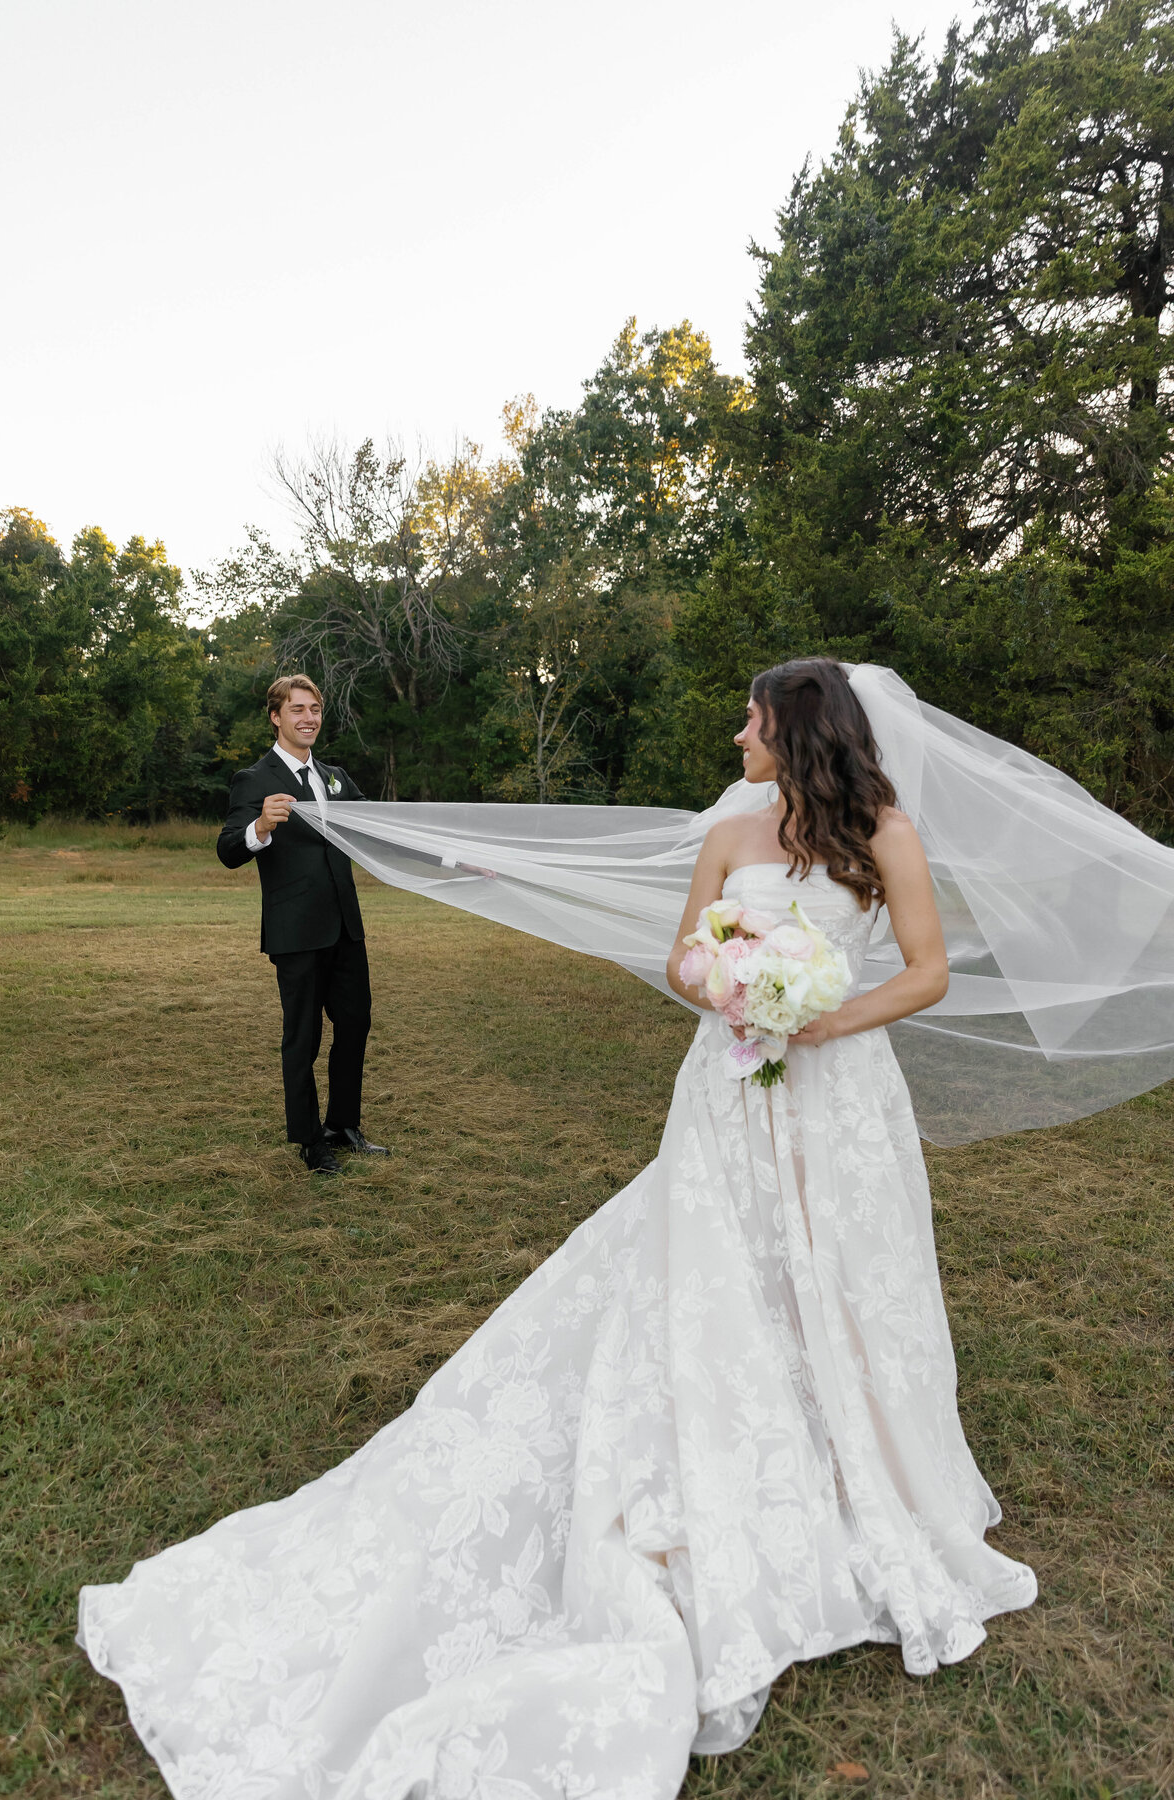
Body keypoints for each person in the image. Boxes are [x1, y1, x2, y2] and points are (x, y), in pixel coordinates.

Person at [79, 660, 1037, 1799]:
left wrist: (823, 1018)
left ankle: (848, 1466)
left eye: (753, 717)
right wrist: (733, 988)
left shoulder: (883, 832)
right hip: (729, 1087)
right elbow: (686, 957)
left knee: (838, 1273)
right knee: (715, 1271)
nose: (738, 731)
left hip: (842, 1097)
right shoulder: (731, 830)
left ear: (798, 729)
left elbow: (924, 973)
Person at [216, 674, 388, 1175]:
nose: (308, 717)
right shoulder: (254, 779)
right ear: (276, 716)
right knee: (304, 1036)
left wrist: (456, 859)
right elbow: (228, 851)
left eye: (314, 708)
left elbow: (382, 830)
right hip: (296, 933)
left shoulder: (335, 777)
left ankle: (342, 1124)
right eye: (296, 709)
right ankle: (311, 1140)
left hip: (345, 929)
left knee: (355, 1025)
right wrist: (260, 826)